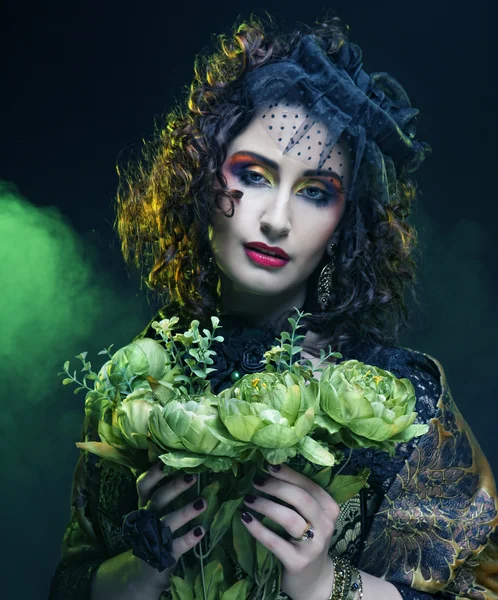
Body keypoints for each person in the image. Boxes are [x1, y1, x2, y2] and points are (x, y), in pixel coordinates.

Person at [48, 15, 498, 600]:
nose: (278, 219)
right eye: (254, 176)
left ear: (344, 227)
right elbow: (69, 583)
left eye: (315, 192)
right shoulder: (135, 387)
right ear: (202, 179)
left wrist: (324, 584)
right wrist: (140, 570)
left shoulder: (399, 404)